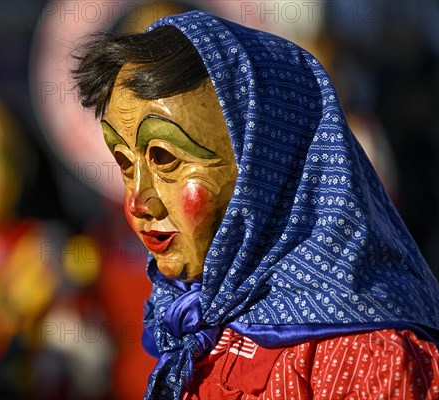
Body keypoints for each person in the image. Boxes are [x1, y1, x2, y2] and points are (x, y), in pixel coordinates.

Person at [72, 10, 439, 400]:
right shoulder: (191, 331)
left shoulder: (365, 359)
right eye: (126, 164)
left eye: (165, 158)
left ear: (266, 165)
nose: (137, 202)